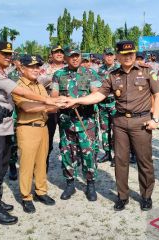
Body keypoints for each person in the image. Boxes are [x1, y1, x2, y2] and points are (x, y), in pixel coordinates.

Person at [62, 40, 159, 211]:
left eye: (131, 54)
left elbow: (158, 94)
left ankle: (146, 196)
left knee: (144, 161)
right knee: (120, 161)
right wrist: (77, 100)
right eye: (123, 54)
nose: (128, 57)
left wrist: (156, 119)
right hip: (120, 123)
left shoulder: (146, 71)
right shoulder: (113, 75)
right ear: (117, 56)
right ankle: (122, 196)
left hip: (142, 122)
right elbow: (99, 96)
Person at [0, 41, 57, 225]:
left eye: (9, 53)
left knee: (4, 166)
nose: (8, 56)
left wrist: (55, 103)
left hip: (4, 127)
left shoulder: (8, 74)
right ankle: (0, 206)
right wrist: (51, 102)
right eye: (3, 53)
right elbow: (25, 102)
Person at [51, 46, 102, 202]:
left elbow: (96, 93)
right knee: (67, 153)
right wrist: (63, 102)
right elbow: (54, 96)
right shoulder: (58, 75)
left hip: (86, 122)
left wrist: (79, 102)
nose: (74, 58)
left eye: (77, 55)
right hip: (67, 122)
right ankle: (70, 184)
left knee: (89, 154)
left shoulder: (91, 73)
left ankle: (90, 184)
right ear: (65, 58)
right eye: (71, 56)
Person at [12, 54, 56, 213]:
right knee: (26, 165)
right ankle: (26, 196)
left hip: (43, 127)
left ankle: (41, 191)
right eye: (32, 67)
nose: (36, 70)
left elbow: (52, 106)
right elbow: (27, 107)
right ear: (22, 68)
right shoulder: (18, 86)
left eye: (38, 66)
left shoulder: (39, 85)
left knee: (41, 163)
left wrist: (54, 103)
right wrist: (49, 104)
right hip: (27, 127)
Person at [37, 45, 65, 172]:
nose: (59, 54)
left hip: (66, 107)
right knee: (47, 137)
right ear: (51, 55)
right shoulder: (45, 68)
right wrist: (54, 76)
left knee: (67, 138)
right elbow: (38, 81)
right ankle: (44, 163)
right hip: (50, 107)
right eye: (56, 52)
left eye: (61, 52)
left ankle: (68, 164)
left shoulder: (69, 67)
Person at [97, 47, 120, 166]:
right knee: (105, 129)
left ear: (115, 56)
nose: (109, 57)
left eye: (111, 55)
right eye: (107, 55)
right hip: (102, 104)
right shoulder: (99, 70)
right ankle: (107, 153)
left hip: (115, 103)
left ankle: (117, 155)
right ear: (103, 56)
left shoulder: (119, 69)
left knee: (117, 130)